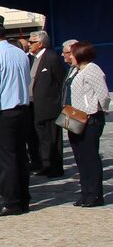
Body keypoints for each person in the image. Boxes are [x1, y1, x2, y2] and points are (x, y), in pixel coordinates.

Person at [0, 14, 32, 216]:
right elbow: (26, 79)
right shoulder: (20, 54)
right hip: (22, 109)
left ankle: (11, 202)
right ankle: (23, 198)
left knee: (6, 160)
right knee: (21, 157)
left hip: (4, 112)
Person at [65, 41, 109, 207]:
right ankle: (85, 192)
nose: (69, 56)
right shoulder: (76, 71)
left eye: (72, 53)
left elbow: (103, 95)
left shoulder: (92, 70)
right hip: (76, 116)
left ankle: (95, 194)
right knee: (80, 157)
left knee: (90, 156)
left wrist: (99, 109)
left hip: (90, 117)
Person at [27, 31, 67, 178]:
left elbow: (61, 80)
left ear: (40, 43)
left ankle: (56, 166)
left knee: (53, 138)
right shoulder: (32, 59)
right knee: (42, 138)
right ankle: (45, 164)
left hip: (50, 106)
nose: (29, 45)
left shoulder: (51, 57)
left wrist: (58, 102)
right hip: (35, 106)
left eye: (32, 42)